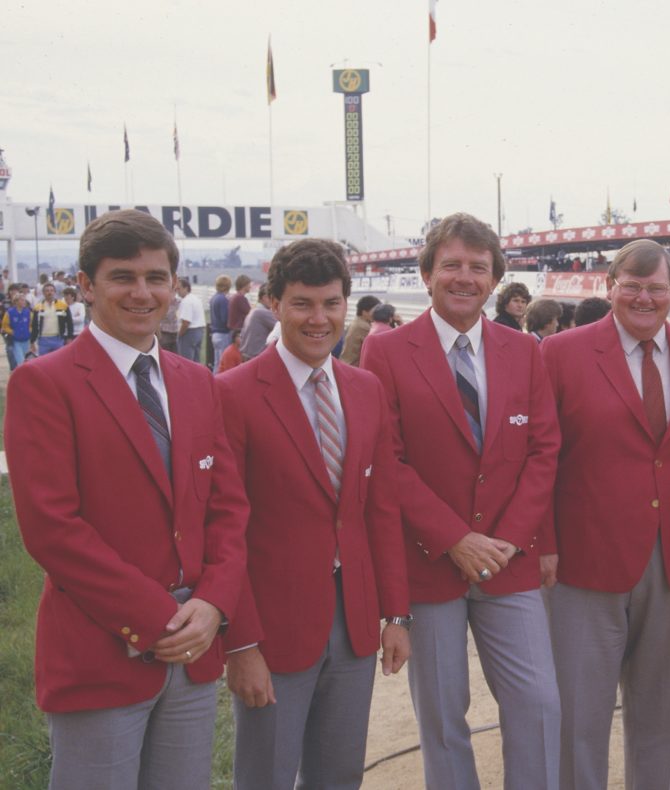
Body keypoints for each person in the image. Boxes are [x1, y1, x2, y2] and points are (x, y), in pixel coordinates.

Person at [4, 209, 248, 789]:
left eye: (156, 277)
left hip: (193, 650)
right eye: (123, 277)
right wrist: (158, 618)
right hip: (102, 650)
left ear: (174, 286)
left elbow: (229, 508)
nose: (143, 293)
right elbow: (52, 529)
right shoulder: (45, 383)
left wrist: (213, 604)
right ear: (86, 286)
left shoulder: (196, 382)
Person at [361, 212, 562, 789]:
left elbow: (543, 451)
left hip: (506, 558)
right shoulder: (388, 352)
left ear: (495, 278)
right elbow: (388, 461)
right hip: (430, 562)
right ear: (426, 274)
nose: (464, 278)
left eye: (478, 267)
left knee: (539, 703)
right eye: (451, 265)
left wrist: (503, 543)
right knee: (444, 715)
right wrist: (455, 539)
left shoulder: (523, 352)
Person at [218, 239, 412, 789]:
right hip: (273, 629)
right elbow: (224, 531)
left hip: (352, 622)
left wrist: (396, 615)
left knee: (339, 774)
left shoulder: (365, 388)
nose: (319, 318)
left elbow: (380, 511)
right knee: (268, 776)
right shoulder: (232, 394)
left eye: (331, 303)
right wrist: (241, 643)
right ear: (274, 303)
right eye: (303, 303)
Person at [540, 238, 670, 789]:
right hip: (583, 561)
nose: (644, 298)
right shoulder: (560, 354)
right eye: (633, 286)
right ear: (610, 286)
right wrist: (544, 542)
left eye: (656, 288)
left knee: (660, 710)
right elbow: (541, 459)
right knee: (579, 714)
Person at [31, 281, 74, 355]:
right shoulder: (37, 307)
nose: (49, 292)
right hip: (43, 339)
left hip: (58, 339)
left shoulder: (63, 306)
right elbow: (34, 325)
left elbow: (69, 323)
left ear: (54, 292)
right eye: (47, 291)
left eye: (51, 290)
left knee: (59, 362)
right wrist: (32, 341)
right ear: (43, 293)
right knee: (43, 363)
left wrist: (69, 337)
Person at [339, 294, 381, 366]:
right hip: (352, 366)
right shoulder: (363, 327)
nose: (377, 314)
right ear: (364, 312)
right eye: (375, 311)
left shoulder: (357, 321)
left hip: (345, 362)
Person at [239, 285, 278, 360]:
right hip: (256, 356)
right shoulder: (262, 312)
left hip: (247, 355)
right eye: (272, 298)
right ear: (264, 297)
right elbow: (282, 327)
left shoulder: (254, 310)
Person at [175, 278, 206, 363]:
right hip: (199, 330)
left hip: (189, 332)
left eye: (179, 288)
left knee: (186, 361)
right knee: (196, 360)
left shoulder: (186, 301)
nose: (177, 291)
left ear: (186, 288)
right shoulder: (195, 299)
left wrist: (179, 335)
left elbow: (186, 322)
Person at [209, 275, 233, 372]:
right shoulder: (223, 299)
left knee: (217, 362)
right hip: (223, 333)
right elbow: (225, 319)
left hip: (215, 333)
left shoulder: (214, 298)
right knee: (223, 363)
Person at [3, 292, 33, 367]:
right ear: (16, 301)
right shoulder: (9, 312)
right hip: (16, 341)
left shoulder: (28, 312)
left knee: (27, 360)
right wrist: (12, 332)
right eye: (22, 300)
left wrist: (29, 331)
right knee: (20, 361)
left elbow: (31, 324)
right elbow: (4, 325)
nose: (24, 302)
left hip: (26, 340)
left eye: (24, 300)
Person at [158, 289, 181, 353]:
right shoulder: (164, 303)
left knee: (175, 353)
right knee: (165, 352)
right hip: (165, 332)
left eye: (173, 292)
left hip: (175, 332)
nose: (172, 294)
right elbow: (164, 316)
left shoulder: (179, 302)